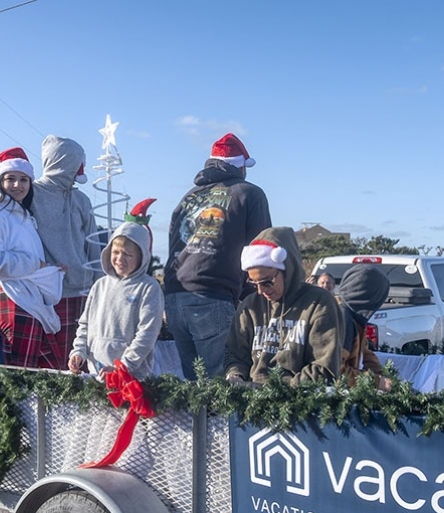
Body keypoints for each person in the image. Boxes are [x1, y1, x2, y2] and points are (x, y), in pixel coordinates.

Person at [0, 135, 100, 361]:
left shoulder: (82, 200)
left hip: (82, 292)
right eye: (75, 163)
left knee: (75, 362)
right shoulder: (30, 189)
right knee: (49, 363)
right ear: (62, 161)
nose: (78, 169)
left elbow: (93, 247)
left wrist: (98, 286)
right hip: (47, 290)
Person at [163, 133, 272, 379]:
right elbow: (262, 249)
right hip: (212, 296)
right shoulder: (249, 193)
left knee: (197, 392)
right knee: (224, 388)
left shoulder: (188, 197)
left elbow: (173, 244)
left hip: (174, 297)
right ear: (241, 166)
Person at [0, 147, 64, 368]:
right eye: (11, 179)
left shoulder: (24, 216)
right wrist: (37, 265)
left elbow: (26, 259)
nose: (18, 185)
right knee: (21, 377)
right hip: (12, 298)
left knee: (50, 372)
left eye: (24, 179)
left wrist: (49, 269)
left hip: (28, 300)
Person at [224, 227, 343, 386]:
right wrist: (235, 375)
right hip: (250, 399)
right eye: (253, 283)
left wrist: (279, 392)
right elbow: (235, 354)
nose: (260, 291)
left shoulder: (319, 303)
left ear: (287, 269)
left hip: (300, 401)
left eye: (267, 282)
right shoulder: (250, 306)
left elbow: (324, 367)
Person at [68, 202, 163, 381]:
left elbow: (147, 333)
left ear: (142, 257)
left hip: (132, 378)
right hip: (96, 374)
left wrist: (123, 367)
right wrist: (79, 351)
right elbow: (85, 325)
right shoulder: (100, 285)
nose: (120, 259)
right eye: (116, 252)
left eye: (127, 254)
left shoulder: (149, 288)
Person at [338, 264, 392, 391]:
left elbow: (365, 354)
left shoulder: (355, 318)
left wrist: (381, 374)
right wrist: (375, 382)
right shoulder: (343, 320)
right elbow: (336, 371)